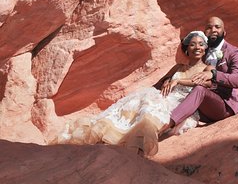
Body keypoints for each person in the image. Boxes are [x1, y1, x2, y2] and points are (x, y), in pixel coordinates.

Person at [55, 31, 213, 156]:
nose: (197, 47)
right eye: (192, 44)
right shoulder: (178, 67)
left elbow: (205, 84)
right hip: (165, 96)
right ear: (187, 48)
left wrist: (178, 82)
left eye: (200, 44)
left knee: (151, 113)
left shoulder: (209, 68)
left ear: (206, 47)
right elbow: (158, 84)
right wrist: (166, 81)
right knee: (142, 100)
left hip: (181, 104)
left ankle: (136, 144)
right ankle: (112, 135)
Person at [164, 16, 238, 131]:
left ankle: (167, 124)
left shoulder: (234, 52)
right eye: (209, 27)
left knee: (199, 89)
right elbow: (182, 69)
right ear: (204, 32)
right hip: (200, 108)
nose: (213, 30)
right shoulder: (201, 49)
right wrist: (168, 80)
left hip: (225, 106)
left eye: (217, 27)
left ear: (224, 32)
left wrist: (214, 74)